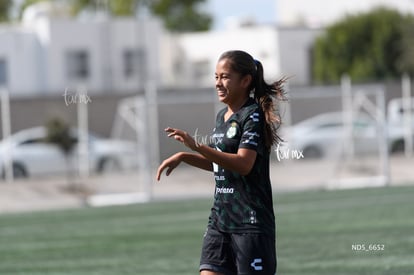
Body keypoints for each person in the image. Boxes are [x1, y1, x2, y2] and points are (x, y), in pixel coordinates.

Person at [156, 50, 286, 275]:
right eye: (216, 77)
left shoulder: (252, 115)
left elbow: (243, 164)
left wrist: (196, 146)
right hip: (220, 220)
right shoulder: (221, 117)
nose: (218, 83)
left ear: (245, 81)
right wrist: (185, 157)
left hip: (250, 223)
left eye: (225, 77)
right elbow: (221, 165)